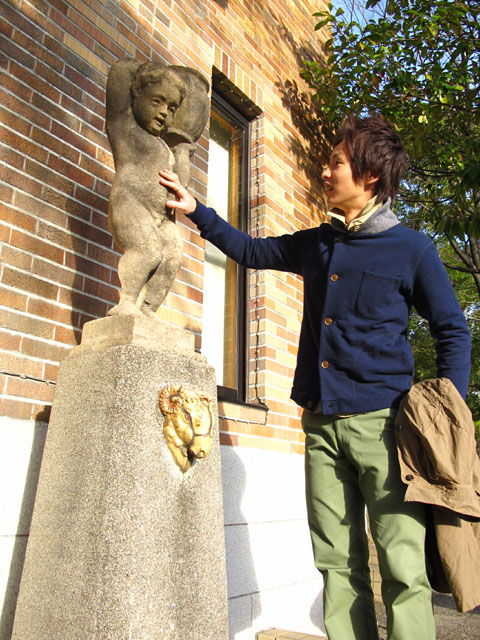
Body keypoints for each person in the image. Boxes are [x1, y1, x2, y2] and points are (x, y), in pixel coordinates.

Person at [158, 115, 471, 640]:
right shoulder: (318, 243)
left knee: (402, 567)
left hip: (386, 429)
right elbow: (252, 251)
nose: (325, 172)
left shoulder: (412, 249)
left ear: (370, 175)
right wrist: (198, 211)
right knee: (336, 563)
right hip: (321, 426)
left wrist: (446, 415)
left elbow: (452, 331)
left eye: (336, 163)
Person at [106, 59, 188, 318]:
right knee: (147, 249)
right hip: (131, 203)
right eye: (157, 101)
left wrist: (182, 152)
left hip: (162, 217)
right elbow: (120, 72)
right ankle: (127, 301)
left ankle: (148, 308)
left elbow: (180, 185)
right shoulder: (124, 128)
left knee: (172, 255)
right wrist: (151, 73)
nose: (164, 112)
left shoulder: (165, 147)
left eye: (171, 108)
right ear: (136, 96)